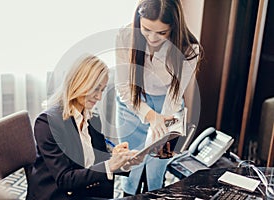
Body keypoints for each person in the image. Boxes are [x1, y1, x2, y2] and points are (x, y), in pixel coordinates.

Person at [115, 0, 203, 196]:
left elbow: (174, 94)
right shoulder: (125, 35)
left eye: (162, 32)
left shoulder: (189, 49)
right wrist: (150, 116)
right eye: (146, 29)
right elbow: (123, 86)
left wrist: (160, 124)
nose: (152, 38)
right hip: (132, 103)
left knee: (157, 169)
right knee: (131, 165)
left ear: (174, 26)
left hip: (168, 107)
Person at [26, 54, 141, 199]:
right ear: (78, 82)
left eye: (102, 90)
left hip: (83, 190)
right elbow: (64, 179)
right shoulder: (48, 123)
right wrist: (110, 164)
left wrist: (122, 160)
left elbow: (97, 161)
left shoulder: (93, 118)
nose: (99, 97)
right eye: (95, 89)